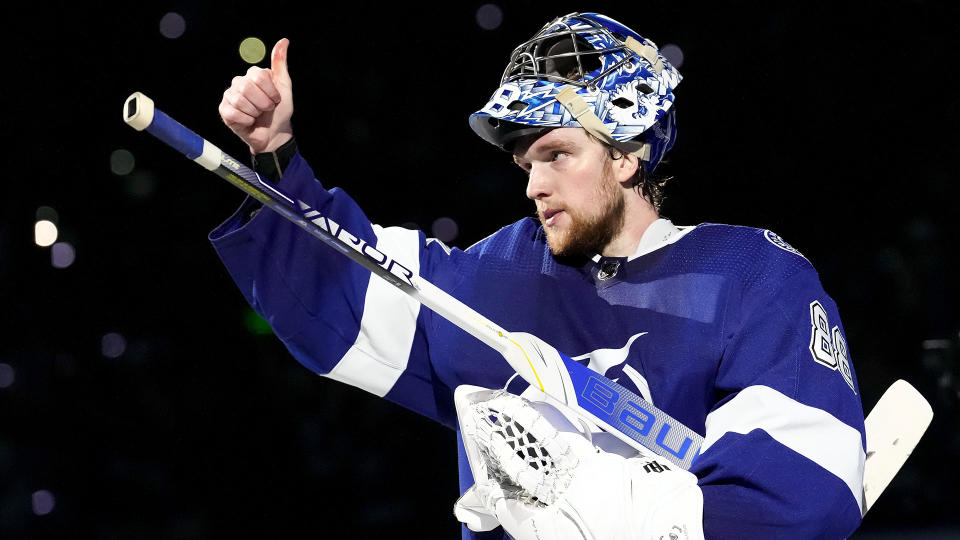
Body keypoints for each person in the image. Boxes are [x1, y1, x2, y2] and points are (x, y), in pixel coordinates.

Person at [211, 13, 866, 539]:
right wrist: (275, 158)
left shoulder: (750, 275)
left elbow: (806, 486)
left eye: (557, 154)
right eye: (526, 162)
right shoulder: (498, 278)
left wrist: (626, 511)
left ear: (626, 156)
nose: (534, 185)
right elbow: (337, 296)